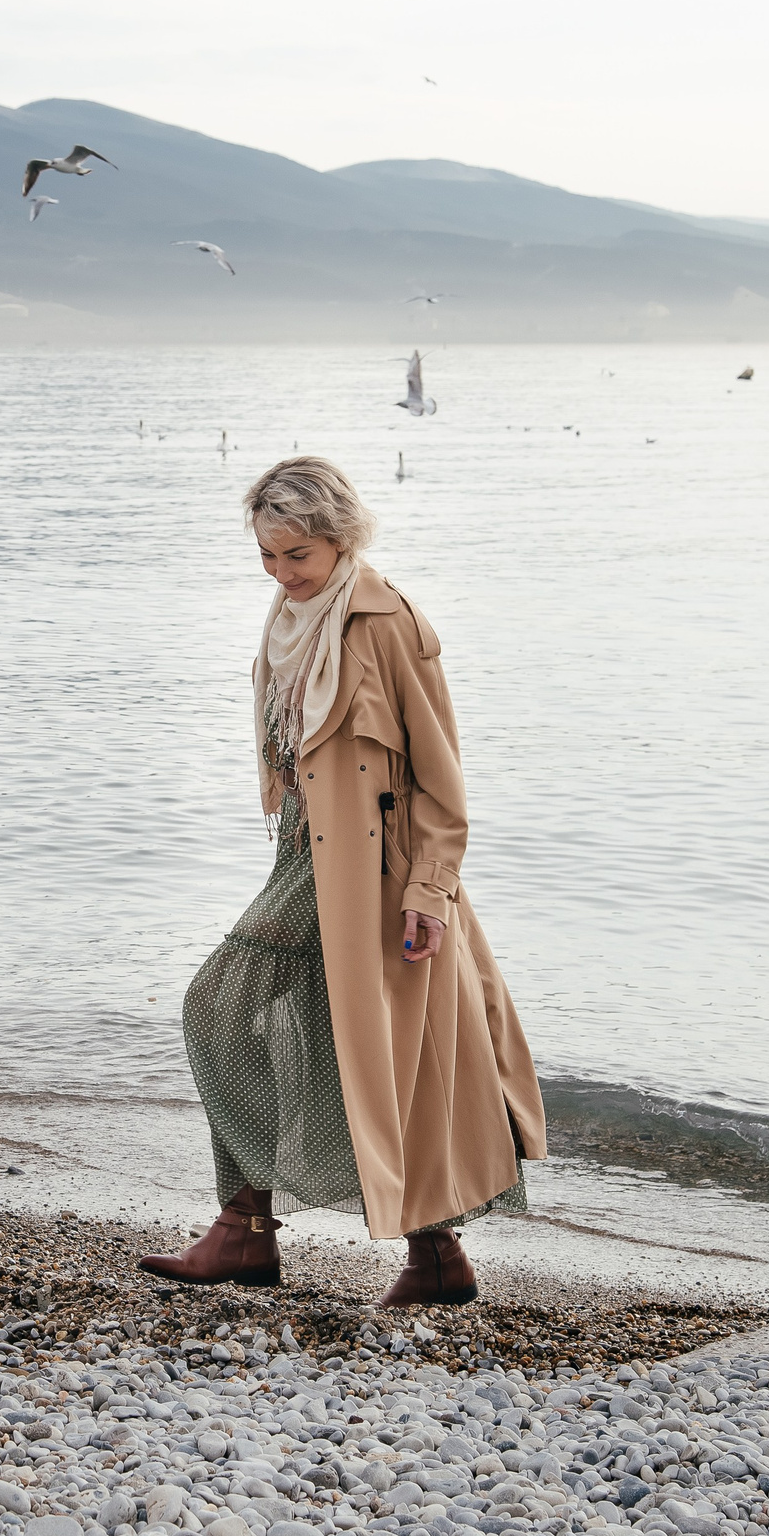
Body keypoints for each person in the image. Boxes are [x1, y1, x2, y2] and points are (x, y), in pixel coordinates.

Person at [138, 456, 545, 1306]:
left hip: (377, 868)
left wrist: (430, 890)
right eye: (267, 555)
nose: (282, 573)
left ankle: (247, 1228)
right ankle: (429, 1257)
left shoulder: (387, 621)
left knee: (222, 1005)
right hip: (305, 850)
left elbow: (441, 772)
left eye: (298, 555)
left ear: (340, 539)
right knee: (351, 1043)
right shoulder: (292, 616)